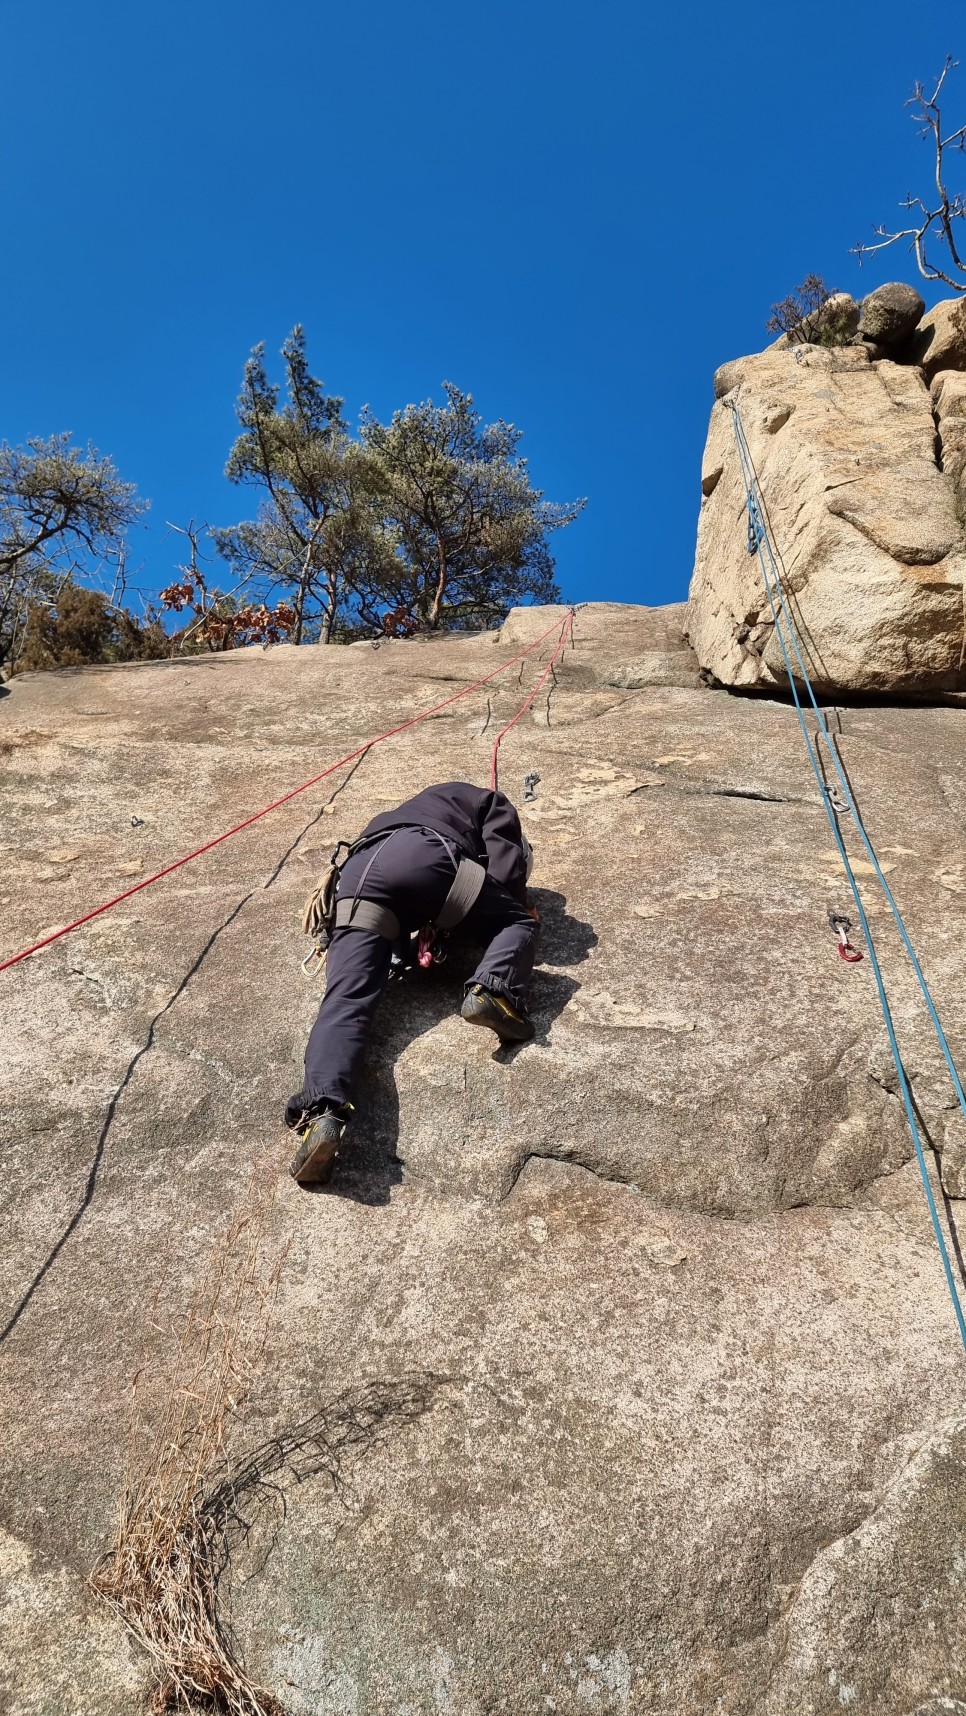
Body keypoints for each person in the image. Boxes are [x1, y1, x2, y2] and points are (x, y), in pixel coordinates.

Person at [286, 781, 539, 1187]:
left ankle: (322, 1112)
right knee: (516, 922)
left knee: (345, 1001)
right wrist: (513, 899)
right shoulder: (481, 797)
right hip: (426, 856)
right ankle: (492, 989)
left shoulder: (413, 808)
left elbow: (406, 901)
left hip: (357, 876)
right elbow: (502, 864)